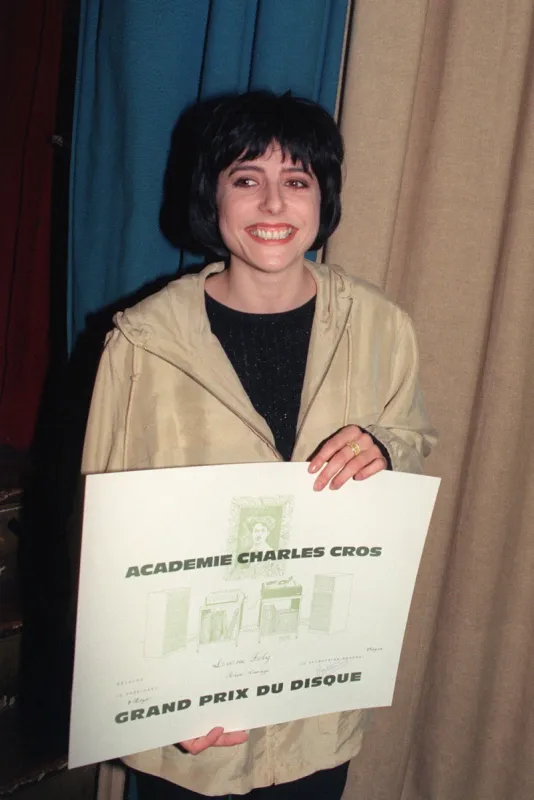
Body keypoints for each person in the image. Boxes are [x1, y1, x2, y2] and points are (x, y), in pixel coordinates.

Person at [81, 91, 437, 799]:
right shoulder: (141, 343)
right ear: (212, 197)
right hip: (191, 721)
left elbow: (415, 439)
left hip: (313, 708)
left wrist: (387, 447)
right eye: (247, 178)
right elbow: (97, 533)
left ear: (323, 199)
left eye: (297, 180)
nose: (273, 204)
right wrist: (158, 697)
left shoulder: (381, 327)